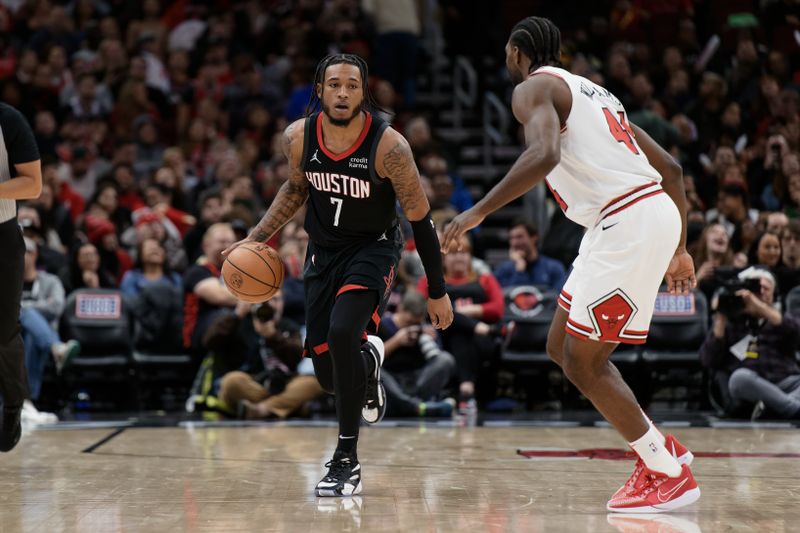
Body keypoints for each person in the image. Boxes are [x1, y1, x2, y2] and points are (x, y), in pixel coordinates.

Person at [441, 17, 699, 513]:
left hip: (628, 219)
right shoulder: (599, 95)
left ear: (517, 53)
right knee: (559, 345)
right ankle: (657, 449)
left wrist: (478, 211)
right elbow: (671, 167)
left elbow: (542, 154)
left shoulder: (531, 89)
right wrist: (681, 246)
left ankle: (666, 472)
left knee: (584, 362)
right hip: (627, 218)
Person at [223, 54, 453, 497]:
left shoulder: (391, 148)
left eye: (351, 85)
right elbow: (295, 189)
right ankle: (369, 365)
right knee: (330, 377)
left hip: (374, 249)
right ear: (320, 90)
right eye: (334, 85)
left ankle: (346, 459)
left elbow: (421, 221)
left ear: (363, 92)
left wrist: (437, 291)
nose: (343, 93)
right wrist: (255, 239)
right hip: (323, 253)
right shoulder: (298, 137)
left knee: (346, 331)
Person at [699, 267, 800, 419]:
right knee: (739, 378)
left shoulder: (779, 319)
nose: (762, 292)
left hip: (785, 382)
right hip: (750, 386)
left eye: (766, 288)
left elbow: (796, 331)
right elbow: (708, 360)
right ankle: (790, 408)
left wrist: (761, 308)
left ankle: (771, 407)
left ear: (774, 296)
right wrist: (720, 319)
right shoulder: (732, 321)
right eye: (757, 288)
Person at [0, 101, 43, 451]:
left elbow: (32, 185)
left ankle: (14, 405)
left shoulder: (9, 119)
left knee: (3, 331)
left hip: (1, 235)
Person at [493, 218, 566, 290]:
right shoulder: (503, 270)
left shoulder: (554, 268)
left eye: (519, 237)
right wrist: (520, 268)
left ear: (534, 237)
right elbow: (507, 299)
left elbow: (558, 297)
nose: (514, 243)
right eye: (511, 238)